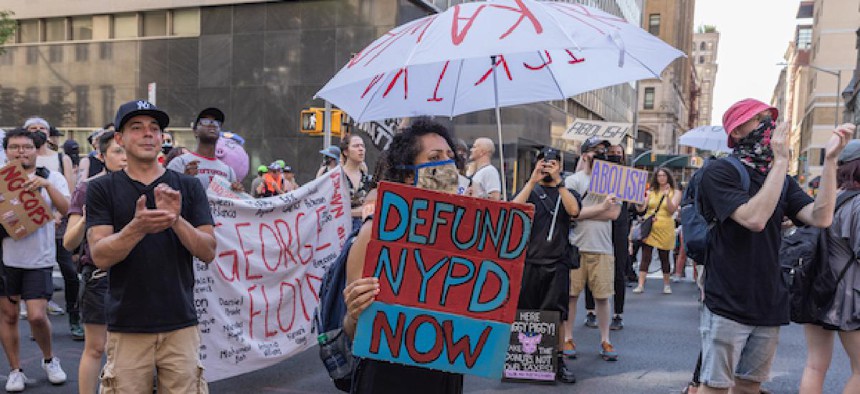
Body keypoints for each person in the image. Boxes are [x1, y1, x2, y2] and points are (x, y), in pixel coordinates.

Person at [696, 98, 852, 394]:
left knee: (749, 385)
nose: (769, 127)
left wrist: (831, 161)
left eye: (771, 119)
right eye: (760, 120)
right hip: (728, 297)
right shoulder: (719, 172)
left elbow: (820, 216)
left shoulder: (780, 177)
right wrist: (780, 162)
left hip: (769, 298)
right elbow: (754, 218)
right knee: (715, 387)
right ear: (737, 132)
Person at [87, 100, 216, 393]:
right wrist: (137, 227)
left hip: (181, 324)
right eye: (137, 128)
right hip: (127, 326)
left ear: (162, 138)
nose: (148, 134)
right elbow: (100, 256)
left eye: (154, 128)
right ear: (119, 138)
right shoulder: (101, 188)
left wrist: (175, 220)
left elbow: (208, 250)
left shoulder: (189, 186)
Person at [342, 119, 464, 393]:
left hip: (445, 374)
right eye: (435, 158)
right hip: (389, 378)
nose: (447, 165)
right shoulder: (375, 233)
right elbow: (352, 329)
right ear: (410, 174)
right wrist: (354, 312)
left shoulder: (464, 236)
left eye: (450, 157)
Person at [0, 128, 70, 392]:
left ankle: (50, 359)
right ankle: (15, 370)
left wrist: (47, 187)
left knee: (37, 316)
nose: (21, 151)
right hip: (6, 259)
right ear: (6, 151)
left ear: (36, 149)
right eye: (15, 147)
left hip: (39, 259)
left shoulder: (52, 177)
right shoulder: (1, 179)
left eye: (26, 147)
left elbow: (68, 210)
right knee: (7, 316)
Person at [63, 130, 127, 394]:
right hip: (99, 277)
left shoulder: (147, 185)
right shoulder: (88, 187)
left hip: (137, 276)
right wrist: (87, 219)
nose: (124, 158)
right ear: (101, 156)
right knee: (96, 347)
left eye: (127, 151)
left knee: (128, 349)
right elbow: (68, 242)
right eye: (117, 151)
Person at [512, 146, 581, 383]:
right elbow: (513, 211)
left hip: (557, 262)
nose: (547, 166)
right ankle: (525, 359)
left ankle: (558, 361)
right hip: (530, 261)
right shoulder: (531, 190)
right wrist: (532, 181)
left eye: (552, 162)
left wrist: (560, 183)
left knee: (557, 315)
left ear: (560, 166)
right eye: (543, 162)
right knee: (526, 312)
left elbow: (574, 211)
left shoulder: (567, 192)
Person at [799, 139, 860, 394]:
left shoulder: (827, 200)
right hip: (849, 298)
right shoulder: (858, 203)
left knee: (815, 366)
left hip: (816, 288)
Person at [564, 136, 621, 362]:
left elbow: (614, 214)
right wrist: (601, 207)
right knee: (570, 295)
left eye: (604, 150)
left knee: (603, 297)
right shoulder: (574, 181)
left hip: (603, 247)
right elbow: (571, 212)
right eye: (596, 150)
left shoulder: (612, 181)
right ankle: (567, 337)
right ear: (585, 154)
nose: (601, 153)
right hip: (576, 246)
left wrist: (586, 211)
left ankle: (605, 340)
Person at [23, 117, 79, 336]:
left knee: (69, 273)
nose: (37, 132)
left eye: (42, 128)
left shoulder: (60, 158)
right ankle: (38, 323)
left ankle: (74, 315)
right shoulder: (20, 160)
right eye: (32, 129)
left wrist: (56, 216)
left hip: (60, 225)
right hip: (30, 227)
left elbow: (70, 192)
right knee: (34, 275)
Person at [583, 144, 631, 330]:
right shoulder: (595, 175)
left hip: (619, 225)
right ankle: (590, 311)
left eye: (618, 153)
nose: (615, 156)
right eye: (611, 153)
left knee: (618, 269)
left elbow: (636, 206)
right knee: (591, 266)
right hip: (598, 224)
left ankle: (618, 314)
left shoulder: (626, 177)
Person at [167, 107, 242, 191]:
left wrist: (237, 192)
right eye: (205, 122)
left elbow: (232, 201)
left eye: (216, 123)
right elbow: (166, 198)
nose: (212, 125)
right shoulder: (179, 163)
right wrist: (185, 181)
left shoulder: (229, 171)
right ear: (195, 131)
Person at [633, 167, 681, 294]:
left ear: (668, 177)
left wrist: (667, 197)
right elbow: (641, 209)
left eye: (664, 175)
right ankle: (641, 284)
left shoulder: (675, 192)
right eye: (659, 175)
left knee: (664, 256)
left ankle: (666, 284)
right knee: (645, 256)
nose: (661, 178)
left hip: (665, 226)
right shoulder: (651, 191)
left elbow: (672, 210)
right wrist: (639, 201)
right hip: (650, 226)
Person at [341, 135, 369, 231]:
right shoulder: (337, 176)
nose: (361, 149)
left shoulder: (367, 179)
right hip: (340, 230)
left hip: (363, 230)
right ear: (346, 152)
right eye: (356, 146)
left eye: (362, 146)